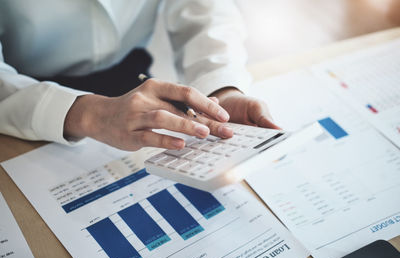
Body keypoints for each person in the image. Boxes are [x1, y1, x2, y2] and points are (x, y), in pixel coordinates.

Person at [0, 0, 278, 151]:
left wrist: (220, 88)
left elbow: (206, 9)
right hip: (20, 96)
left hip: (133, 86)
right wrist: (89, 115)